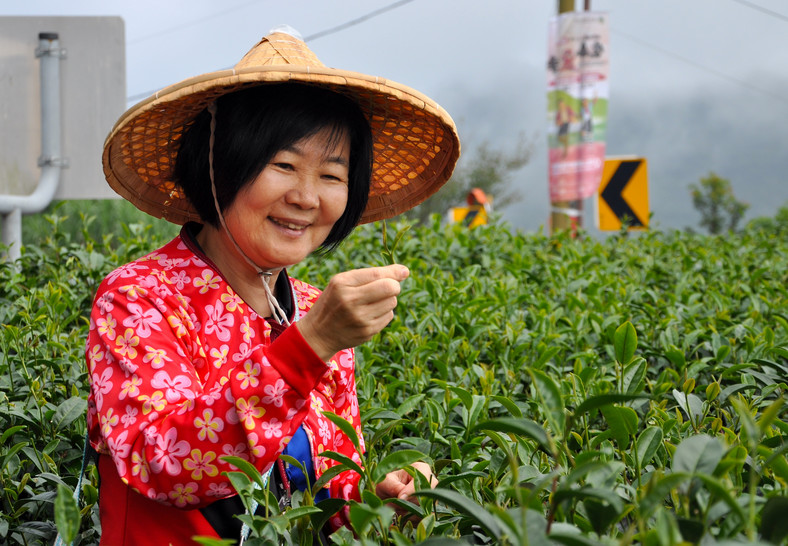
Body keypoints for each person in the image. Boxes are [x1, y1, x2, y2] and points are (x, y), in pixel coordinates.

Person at [87, 27, 459, 545]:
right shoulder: (142, 297)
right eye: (283, 165)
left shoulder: (311, 308)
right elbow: (161, 462)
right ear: (220, 167)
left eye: (332, 175)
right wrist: (309, 346)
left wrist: (381, 501)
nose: (307, 198)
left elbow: (321, 500)